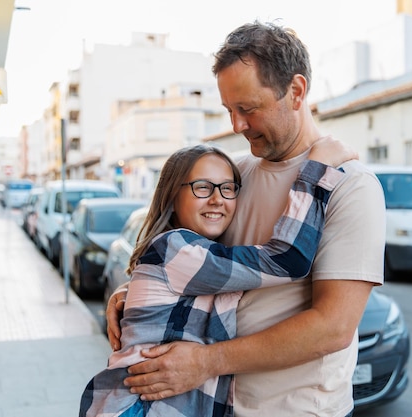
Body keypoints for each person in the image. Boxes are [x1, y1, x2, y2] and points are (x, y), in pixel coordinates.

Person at [106, 20, 386, 417]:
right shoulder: (230, 176)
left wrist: (206, 362)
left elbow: (333, 327)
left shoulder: (350, 186)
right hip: (213, 405)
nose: (236, 126)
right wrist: (134, 294)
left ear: (296, 91)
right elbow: (184, 253)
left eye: (248, 109)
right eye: (229, 110)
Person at [82, 142, 352, 417]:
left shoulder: (196, 254)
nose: (217, 199)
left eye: (227, 188)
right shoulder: (176, 248)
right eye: (202, 187)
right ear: (173, 195)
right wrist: (316, 170)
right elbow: (288, 259)